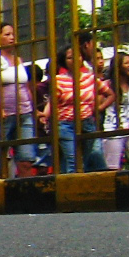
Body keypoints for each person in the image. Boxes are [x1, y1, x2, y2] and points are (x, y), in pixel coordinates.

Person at [43, 35, 110, 174]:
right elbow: (53, 102)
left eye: (78, 56)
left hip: (87, 122)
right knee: (73, 161)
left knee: (89, 157)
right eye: (70, 57)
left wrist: (98, 108)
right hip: (66, 123)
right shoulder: (58, 80)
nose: (75, 59)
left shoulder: (90, 78)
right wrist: (46, 115)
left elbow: (110, 94)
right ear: (64, 61)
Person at [0, 24, 38, 178]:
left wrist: (35, 109)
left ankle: (30, 198)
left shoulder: (18, 59)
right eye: (7, 34)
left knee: (26, 161)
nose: (12, 37)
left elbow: (25, 87)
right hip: (1, 116)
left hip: (24, 114)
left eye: (13, 34)